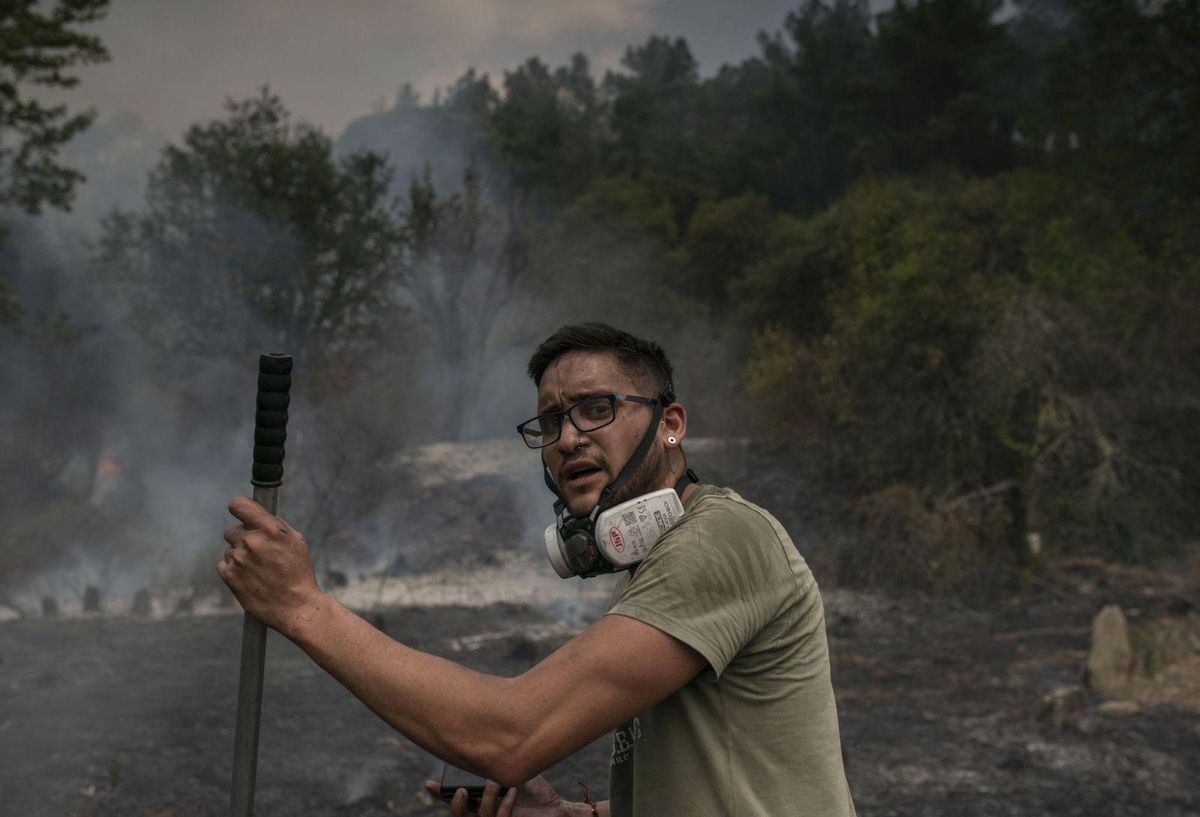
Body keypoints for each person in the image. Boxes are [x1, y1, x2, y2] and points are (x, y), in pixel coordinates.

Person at [219, 322, 856, 816]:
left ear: (671, 424)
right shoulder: (658, 563)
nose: (569, 437)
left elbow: (512, 734)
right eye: (552, 421)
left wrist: (302, 607)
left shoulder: (720, 540)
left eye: (596, 408)